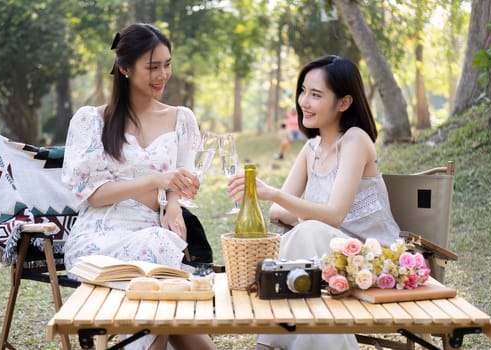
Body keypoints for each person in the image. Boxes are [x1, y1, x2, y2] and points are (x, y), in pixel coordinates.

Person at [228, 55, 400, 350]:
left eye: (316, 95)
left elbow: (331, 216)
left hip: (370, 259)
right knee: (304, 241)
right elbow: (275, 213)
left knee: (305, 235)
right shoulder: (312, 149)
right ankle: (274, 342)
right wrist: (297, 211)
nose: (304, 102)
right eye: (303, 91)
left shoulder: (355, 141)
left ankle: (269, 343)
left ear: (344, 103)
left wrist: (279, 196)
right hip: (324, 258)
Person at [62, 23, 216, 350]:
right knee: (164, 280)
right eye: (152, 67)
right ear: (124, 68)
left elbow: (182, 182)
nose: (163, 75)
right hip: (100, 239)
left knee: (162, 290)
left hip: (154, 230)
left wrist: (173, 204)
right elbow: (94, 195)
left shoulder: (181, 118)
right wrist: (154, 180)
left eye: (167, 64)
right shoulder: (93, 120)